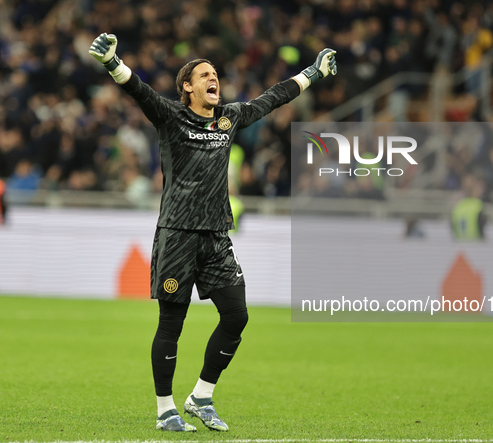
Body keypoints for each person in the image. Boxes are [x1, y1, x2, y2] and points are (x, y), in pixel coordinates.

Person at [89, 33, 336, 433]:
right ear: (187, 86)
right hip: (177, 235)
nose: (213, 78)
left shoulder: (229, 118)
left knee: (236, 316)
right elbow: (139, 90)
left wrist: (313, 72)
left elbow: (274, 97)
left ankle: (201, 396)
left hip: (216, 236)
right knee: (172, 324)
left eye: (215, 74)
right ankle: (165, 409)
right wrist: (112, 63)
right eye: (204, 74)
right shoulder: (171, 116)